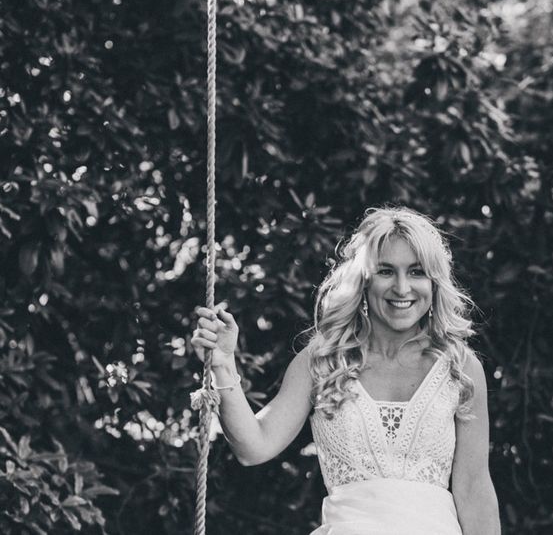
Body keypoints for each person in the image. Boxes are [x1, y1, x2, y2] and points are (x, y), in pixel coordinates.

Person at [191, 205, 501, 535]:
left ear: (434, 283)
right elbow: (254, 446)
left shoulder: (461, 369)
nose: (401, 287)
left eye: (416, 272)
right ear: (364, 280)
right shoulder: (323, 359)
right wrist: (223, 365)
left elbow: (474, 489)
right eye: (385, 271)